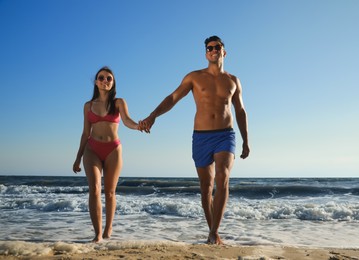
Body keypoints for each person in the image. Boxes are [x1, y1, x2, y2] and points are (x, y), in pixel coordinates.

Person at [140, 36, 250, 245]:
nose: (213, 50)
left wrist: (246, 140)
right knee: (206, 187)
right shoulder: (194, 77)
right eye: (209, 48)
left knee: (222, 177)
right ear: (205, 53)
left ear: (224, 52)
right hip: (201, 137)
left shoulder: (233, 80)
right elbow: (172, 98)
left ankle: (213, 232)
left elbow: (240, 110)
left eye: (217, 47)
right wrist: (153, 115)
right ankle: (212, 232)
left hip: (225, 135)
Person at [73, 66, 141, 243]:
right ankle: (97, 234)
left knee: (110, 193)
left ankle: (108, 228)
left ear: (113, 82)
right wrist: (78, 157)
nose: (105, 81)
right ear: (96, 82)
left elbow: (127, 121)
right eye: (101, 78)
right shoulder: (88, 106)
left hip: (113, 149)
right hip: (92, 149)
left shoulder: (119, 102)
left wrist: (138, 126)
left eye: (108, 78)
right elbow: (85, 133)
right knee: (95, 189)